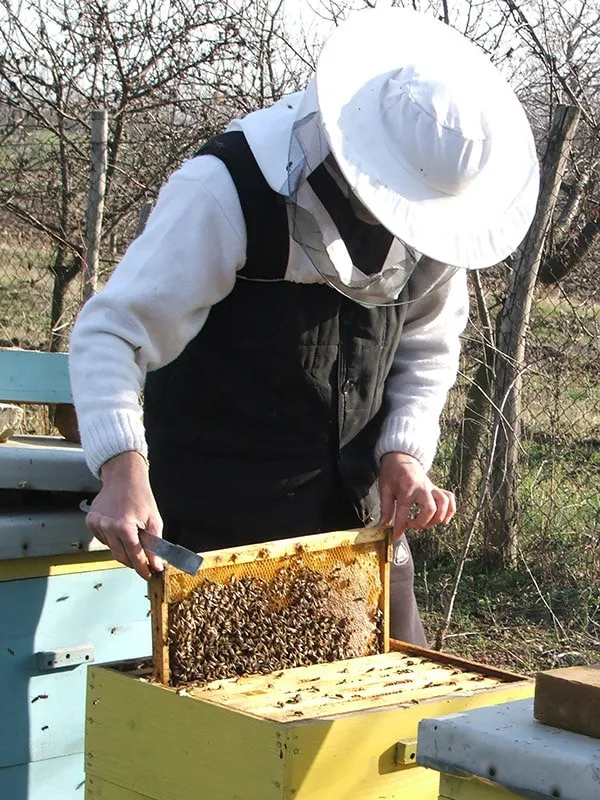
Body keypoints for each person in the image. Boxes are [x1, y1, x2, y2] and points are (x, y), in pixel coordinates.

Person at [69, 8, 539, 645]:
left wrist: (403, 451)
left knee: (397, 726)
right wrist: (122, 470)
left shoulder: (437, 218)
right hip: (223, 530)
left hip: (360, 528)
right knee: (236, 738)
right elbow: (112, 332)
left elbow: (428, 346)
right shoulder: (226, 191)